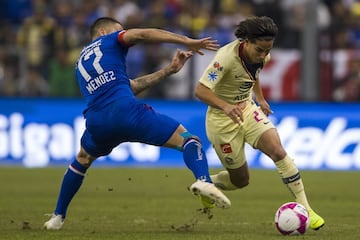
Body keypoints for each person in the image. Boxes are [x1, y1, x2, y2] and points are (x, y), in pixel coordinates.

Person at [44, 17, 230, 230]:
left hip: (98, 122)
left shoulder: (80, 63)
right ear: (104, 31)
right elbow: (143, 34)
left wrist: (168, 70)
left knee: (82, 159)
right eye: (119, 30)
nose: (123, 33)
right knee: (190, 140)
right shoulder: (111, 40)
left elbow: (129, 86)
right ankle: (204, 180)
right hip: (127, 112)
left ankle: (57, 217)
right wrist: (187, 41)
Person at [194, 16, 325, 230]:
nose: (264, 55)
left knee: (278, 151)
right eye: (260, 50)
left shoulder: (261, 54)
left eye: (267, 50)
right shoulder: (224, 58)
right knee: (241, 181)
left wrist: (260, 98)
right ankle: (207, 182)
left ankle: (306, 208)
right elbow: (200, 90)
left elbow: (253, 74)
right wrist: (226, 107)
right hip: (222, 121)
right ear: (246, 42)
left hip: (246, 109)